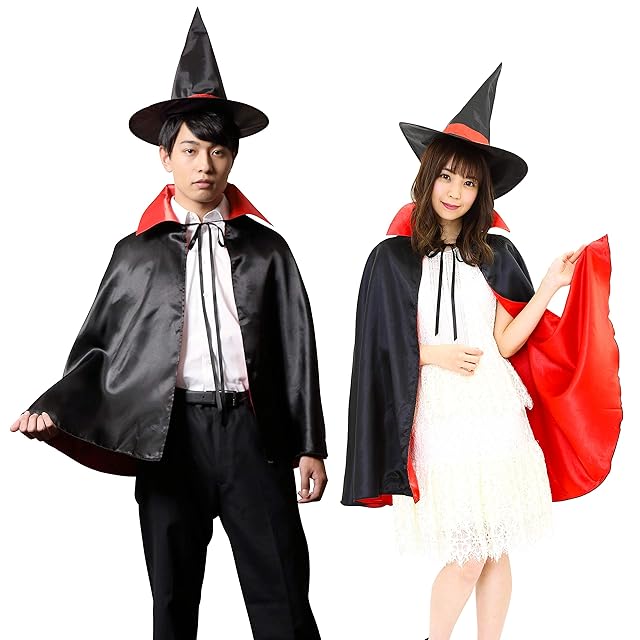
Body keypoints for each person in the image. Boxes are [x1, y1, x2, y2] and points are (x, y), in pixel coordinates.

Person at [10, 9, 327, 640]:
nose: (204, 164)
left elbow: (299, 350)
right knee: (173, 600)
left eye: (218, 150)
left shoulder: (268, 250)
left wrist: (310, 443)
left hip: (254, 436)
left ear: (232, 158)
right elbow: (100, 351)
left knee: (284, 598)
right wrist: (54, 408)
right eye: (189, 150)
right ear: (165, 157)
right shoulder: (135, 253)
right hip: (170, 437)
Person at [341, 64, 621, 640]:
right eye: (446, 176)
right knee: (468, 549)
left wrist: (548, 287)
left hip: (494, 410)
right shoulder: (392, 258)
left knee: (496, 546)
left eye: (468, 183)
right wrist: (431, 355)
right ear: (427, 177)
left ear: (481, 194)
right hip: (437, 414)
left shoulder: (491, 256)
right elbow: (376, 346)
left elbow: (506, 343)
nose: (455, 191)